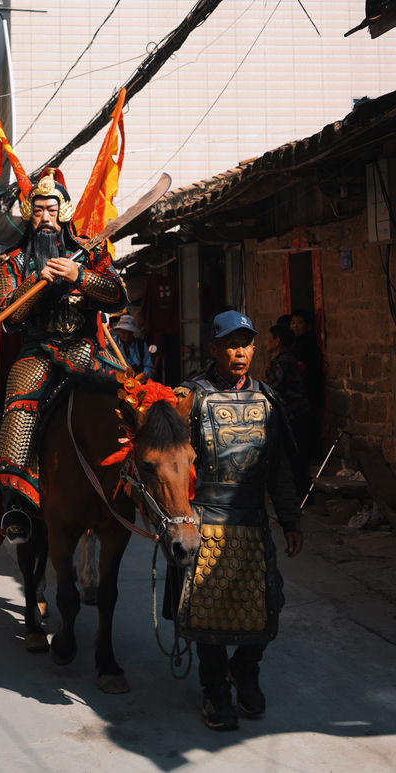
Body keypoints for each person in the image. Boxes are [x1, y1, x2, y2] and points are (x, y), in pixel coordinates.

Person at [166, 310, 302, 731]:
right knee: (207, 610)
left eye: (246, 343)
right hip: (206, 519)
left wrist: (291, 519)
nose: (240, 351)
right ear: (213, 349)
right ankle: (215, 691)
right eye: (231, 344)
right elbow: (171, 464)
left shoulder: (266, 400)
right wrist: (176, 519)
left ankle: (246, 670)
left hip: (252, 520)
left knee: (264, 606)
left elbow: (277, 468)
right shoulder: (190, 399)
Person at [0, 167, 127, 545]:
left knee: (132, 400)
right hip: (38, 352)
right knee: (19, 404)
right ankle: (16, 500)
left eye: (51, 209)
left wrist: (80, 275)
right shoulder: (11, 262)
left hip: (86, 349)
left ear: (64, 211)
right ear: (29, 215)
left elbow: (118, 295)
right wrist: (38, 281)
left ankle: (139, 485)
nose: (45, 217)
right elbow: (7, 317)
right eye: (38, 211)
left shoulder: (90, 250)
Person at [265, 324, 310, 495]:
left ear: (277, 342)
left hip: (294, 415)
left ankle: (300, 494)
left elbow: (274, 389)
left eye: (270, 339)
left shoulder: (284, 362)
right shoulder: (282, 361)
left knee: (295, 457)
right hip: (293, 414)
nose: (266, 343)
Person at [290, 308, 325, 462]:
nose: (295, 326)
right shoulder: (295, 344)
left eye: (299, 323)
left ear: (308, 326)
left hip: (308, 394)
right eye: (293, 323)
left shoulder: (307, 344)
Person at [112, 313, 153, 377]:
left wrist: (141, 377)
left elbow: (148, 366)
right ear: (119, 331)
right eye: (124, 331)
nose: (127, 335)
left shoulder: (141, 345)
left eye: (129, 332)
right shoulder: (111, 344)